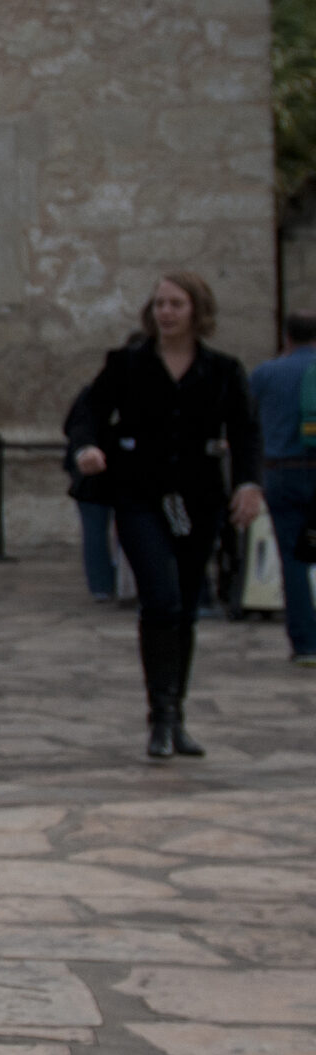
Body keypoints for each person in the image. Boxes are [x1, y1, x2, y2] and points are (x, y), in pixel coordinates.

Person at [68, 273, 265, 757]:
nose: (166, 312)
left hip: (197, 497)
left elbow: (245, 432)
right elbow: (89, 411)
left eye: (176, 304)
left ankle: (175, 713)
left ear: (197, 310)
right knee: (160, 598)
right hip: (139, 493)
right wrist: (87, 446)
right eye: (159, 304)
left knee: (185, 605)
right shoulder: (128, 364)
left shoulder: (222, 370)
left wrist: (248, 483)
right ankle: (159, 717)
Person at [252, 309, 316, 668]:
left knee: (293, 560)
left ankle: (306, 644)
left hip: (282, 473)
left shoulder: (266, 373)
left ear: (286, 336)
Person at [63, 380, 120, 604]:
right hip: (94, 476)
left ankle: (108, 585)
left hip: (112, 474)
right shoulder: (99, 393)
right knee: (95, 530)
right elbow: (76, 427)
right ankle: (102, 584)